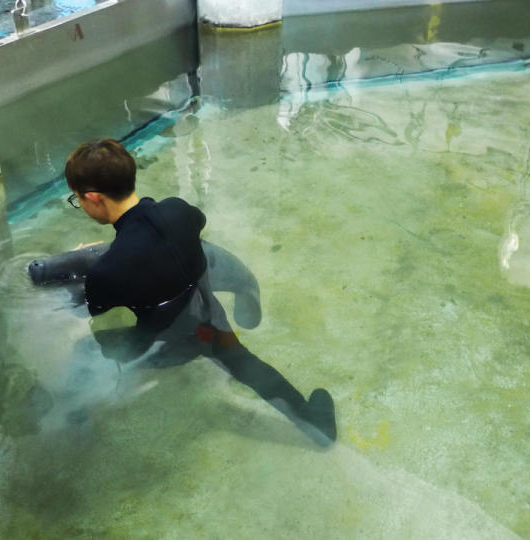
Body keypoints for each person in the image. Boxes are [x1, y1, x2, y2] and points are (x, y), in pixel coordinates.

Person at [57, 138, 337, 445]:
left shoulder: (106, 271)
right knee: (244, 362)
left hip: (160, 341)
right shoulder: (178, 211)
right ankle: (316, 426)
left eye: (77, 200)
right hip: (208, 322)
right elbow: (196, 226)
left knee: (84, 349)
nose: (80, 206)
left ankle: (75, 418)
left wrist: (82, 264)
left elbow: (92, 310)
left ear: (94, 198)